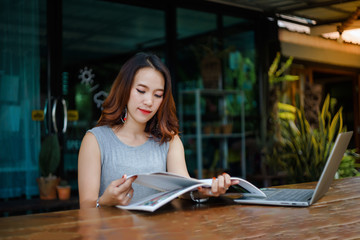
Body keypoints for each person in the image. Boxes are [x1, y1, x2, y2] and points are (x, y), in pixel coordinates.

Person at [78, 52, 239, 208]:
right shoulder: (95, 140)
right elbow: (86, 206)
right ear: (124, 89)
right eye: (141, 91)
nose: (149, 101)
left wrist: (206, 192)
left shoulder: (169, 140)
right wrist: (104, 201)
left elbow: (185, 192)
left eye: (158, 95)